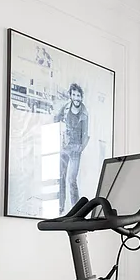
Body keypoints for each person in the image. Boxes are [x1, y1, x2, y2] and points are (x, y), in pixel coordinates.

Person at [54, 82, 90, 212]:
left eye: (78, 95)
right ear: (70, 96)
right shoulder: (65, 108)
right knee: (61, 177)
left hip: (75, 150)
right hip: (64, 147)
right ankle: (60, 207)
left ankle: (76, 211)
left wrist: (80, 148)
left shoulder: (84, 113)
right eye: (74, 95)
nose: (76, 98)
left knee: (71, 180)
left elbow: (86, 134)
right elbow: (56, 119)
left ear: (81, 97)